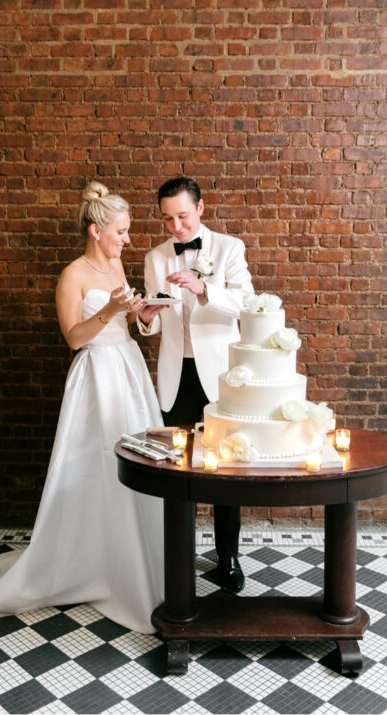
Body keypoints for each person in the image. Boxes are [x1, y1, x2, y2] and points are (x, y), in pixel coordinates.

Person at [0, 183, 164, 633]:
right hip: (95, 375)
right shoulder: (72, 275)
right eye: (121, 232)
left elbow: (129, 319)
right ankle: (89, 562)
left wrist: (143, 314)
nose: (126, 240)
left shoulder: (115, 263)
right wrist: (111, 310)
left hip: (128, 370)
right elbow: (74, 338)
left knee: (138, 460)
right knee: (93, 465)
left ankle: (136, 555)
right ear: (96, 230)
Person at [137, 177, 254, 593]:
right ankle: (177, 559)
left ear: (201, 208)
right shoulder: (155, 257)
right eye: (167, 219)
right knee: (177, 470)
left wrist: (204, 287)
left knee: (225, 469)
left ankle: (229, 559)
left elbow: (246, 304)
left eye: (183, 216)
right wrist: (145, 316)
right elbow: (151, 324)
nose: (176, 228)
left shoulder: (229, 248)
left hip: (220, 377)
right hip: (175, 375)